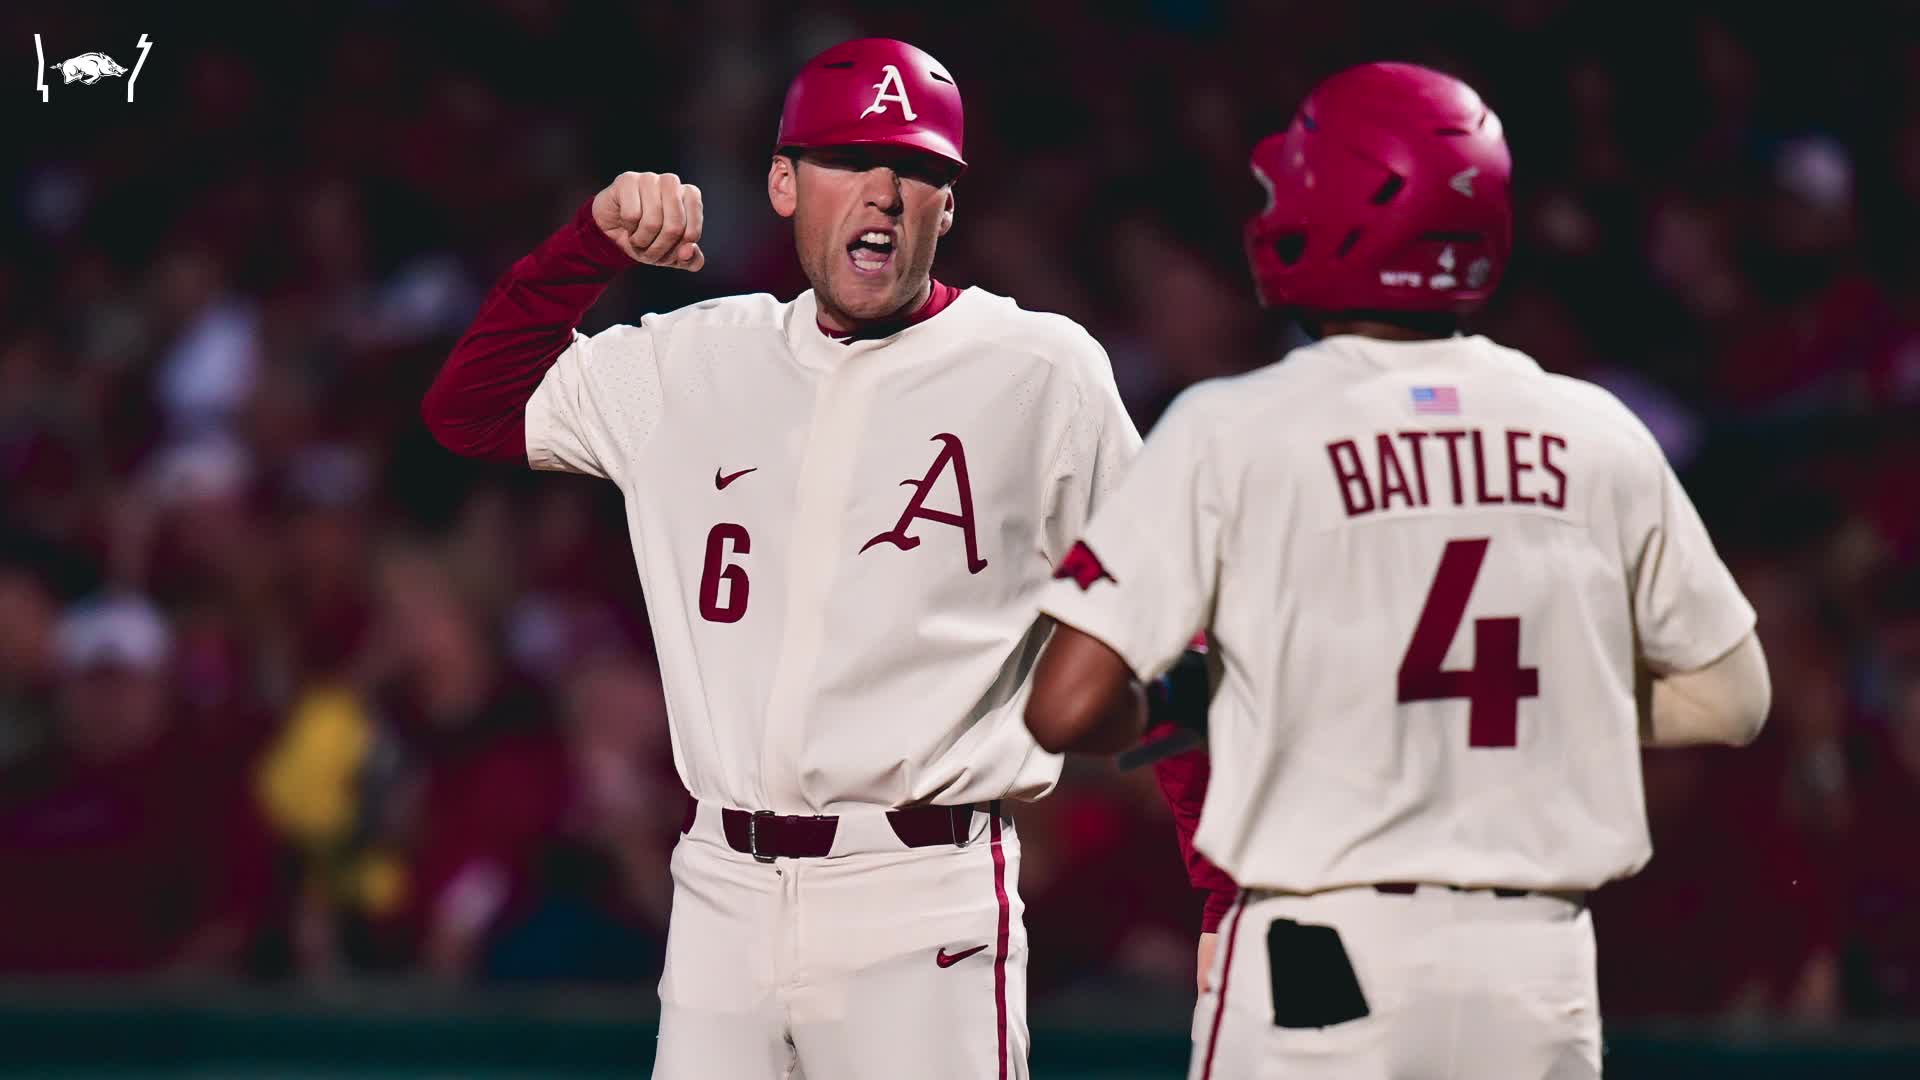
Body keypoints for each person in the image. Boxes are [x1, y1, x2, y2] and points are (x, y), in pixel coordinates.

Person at [1023, 62, 1771, 1079]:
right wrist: (1554, 696)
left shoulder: (1234, 426)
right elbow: (1732, 699)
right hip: (1535, 972)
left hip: (1323, 960)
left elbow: (1064, 707)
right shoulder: (1598, 431)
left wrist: (1217, 698)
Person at [421, 37, 1143, 1079]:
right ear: (782, 182)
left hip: (920, 888)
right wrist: (586, 246)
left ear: (952, 204)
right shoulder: (692, 357)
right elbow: (467, 412)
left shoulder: (1042, 373)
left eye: (920, 170)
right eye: (851, 159)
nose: (885, 193)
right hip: (721, 888)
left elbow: (1164, 628)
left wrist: (1218, 892)